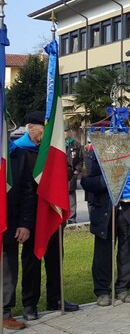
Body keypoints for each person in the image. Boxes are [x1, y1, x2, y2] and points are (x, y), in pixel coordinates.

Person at [9, 111, 80, 322]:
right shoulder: (19, 150)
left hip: (52, 210)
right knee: (32, 258)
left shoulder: (52, 149)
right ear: (31, 127)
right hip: (30, 213)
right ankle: (30, 303)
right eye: (43, 129)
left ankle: (56, 298)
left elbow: (67, 170)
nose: (45, 133)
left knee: (56, 256)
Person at [81, 134, 130, 306]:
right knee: (103, 253)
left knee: (128, 251)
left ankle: (123, 288)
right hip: (105, 211)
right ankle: (102, 291)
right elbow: (86, 181)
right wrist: (108, 180)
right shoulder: (96, 153)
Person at [2, 114, 38, 330]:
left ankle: (5, 311)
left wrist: (25, 223)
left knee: (8, 268)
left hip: (10, 222)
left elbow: (27, 192)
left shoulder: (18, 155)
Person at [65, 124, 83, 225]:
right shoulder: (57, 144)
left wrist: (77, 170)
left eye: (66, 131)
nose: (64, 133)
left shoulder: (76, 145)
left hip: (71, 174)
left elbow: (80, 160)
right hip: (60, 175)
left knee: (71, 196)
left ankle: (71, 218)